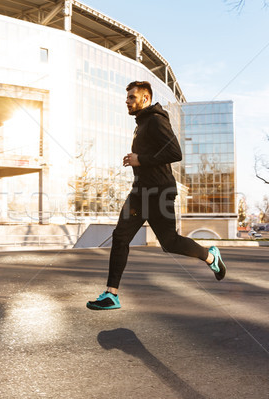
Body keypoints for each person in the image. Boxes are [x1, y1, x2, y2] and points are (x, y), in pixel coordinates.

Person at [87, 81, 226, 311]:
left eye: (132, 97)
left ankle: (210, 257)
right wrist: (137, 159)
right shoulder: (141, 123)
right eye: (127, 97)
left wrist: (140, 159)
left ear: (145, 98)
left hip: (159, 192)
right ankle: (111, 294)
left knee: (169, 242)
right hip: (140, 191)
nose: (127, 101)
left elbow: (175, 152)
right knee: (120, 236)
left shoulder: (155, 119)